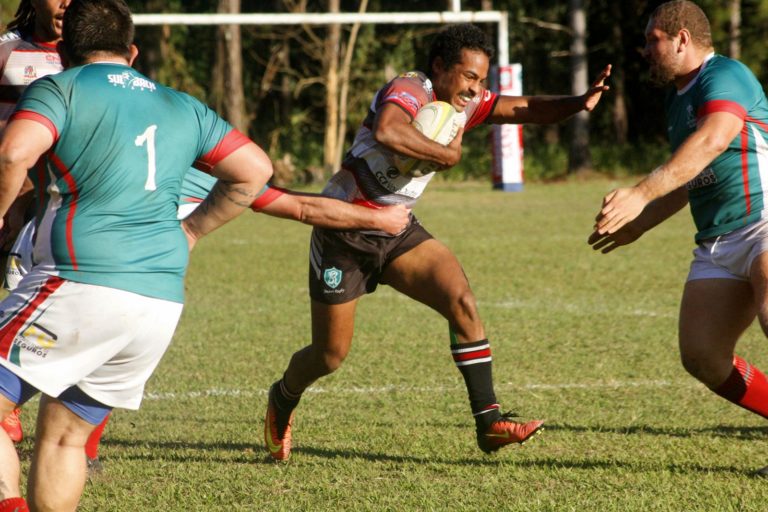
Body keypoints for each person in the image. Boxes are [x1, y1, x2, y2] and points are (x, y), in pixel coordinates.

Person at [264, 23, 611, 460]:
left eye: (482, 81)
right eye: (469, 77)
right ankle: (283, 396)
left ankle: (489, 424)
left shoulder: (465, 103)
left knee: (460, 300)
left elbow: (525, 108)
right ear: (441, 67)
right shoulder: (411, 87)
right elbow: (390, 131)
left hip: (397, 230)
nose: (475, 89)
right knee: (330, 355)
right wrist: (447, 154)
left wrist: (577, 103)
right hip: (344, 230)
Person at [0, 1, 273, 510]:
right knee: (64, 438)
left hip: (82, 280)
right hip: (158, 303)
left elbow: (14, 152)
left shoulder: (60, 87)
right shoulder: (182, 104)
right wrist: (191, 230)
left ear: (63, 52)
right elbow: (255, 169)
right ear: (133, 51)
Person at [589, 0, 768, 476]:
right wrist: (640, 220)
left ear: (681, 39)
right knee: (703, 357)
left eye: (653, 40)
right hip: (719, 240)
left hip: (766, 222)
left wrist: (639, 192)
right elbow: (692, 174)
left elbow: (712, 141)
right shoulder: (677, 99)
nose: (645, 50)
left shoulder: (725, 75)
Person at [0, 0, 70, 447]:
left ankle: (80, 443)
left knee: (63, 319)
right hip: (8, 199)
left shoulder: (93, 57)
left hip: (63, 206)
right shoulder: (7, 52)